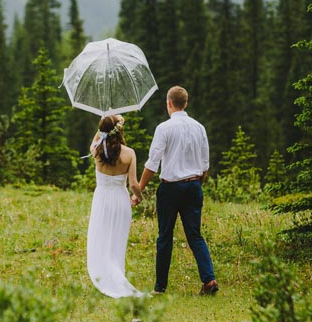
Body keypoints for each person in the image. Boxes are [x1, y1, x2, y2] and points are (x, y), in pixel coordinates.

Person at [135, 85, 219, 296]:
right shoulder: (199, 127)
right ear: (186, 103)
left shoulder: (164, 128)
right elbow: (205, 165)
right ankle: (209, 280)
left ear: (169, 104)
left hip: (170, 188)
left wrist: (138, 190)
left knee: (165, 236)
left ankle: (160, 287)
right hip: (193, 185)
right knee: (195, 235)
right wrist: (195, 184)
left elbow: (152, 163)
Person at [86, 114, 146, 298]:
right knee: (117, 240)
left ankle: (105, 275)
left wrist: (108, 122)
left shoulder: (96, 150)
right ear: (119, 131)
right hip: (120, 200)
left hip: (102, 199)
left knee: (102, 237)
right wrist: (139, 198)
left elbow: (97, 138)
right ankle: (117, 272)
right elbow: (134, 184)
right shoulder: (129, 154)